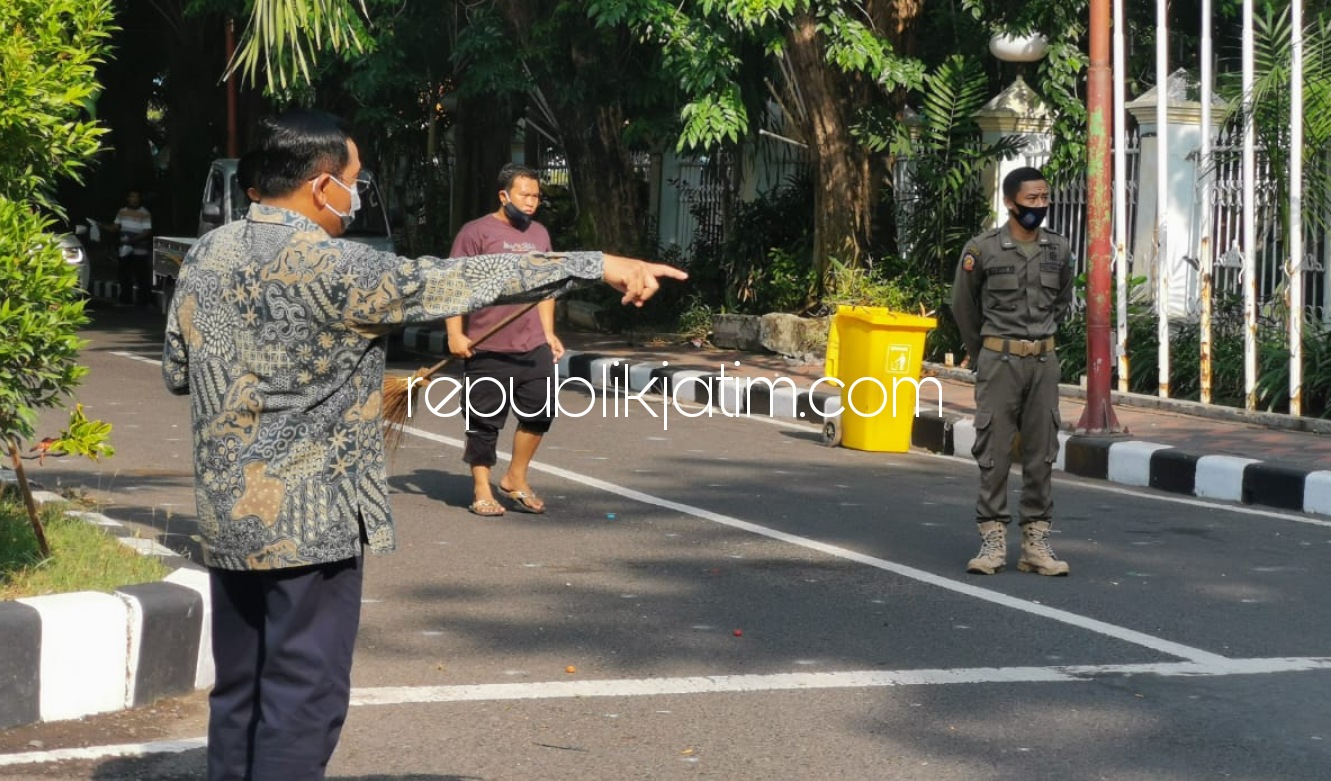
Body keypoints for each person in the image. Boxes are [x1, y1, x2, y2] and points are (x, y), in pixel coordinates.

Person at [161, 109, 685, 781]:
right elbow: (467, 280)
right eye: (353, 180)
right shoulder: (340, 266)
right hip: (311, 527)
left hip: (229, 517)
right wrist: (598, 263)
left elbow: (179, 371)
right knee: (303, 695)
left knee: (241, 688)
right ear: (322, 187)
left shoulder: (207, 254)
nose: (355, 195)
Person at [950, 166, 1074, 577]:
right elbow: (964, 308)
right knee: (995, 452)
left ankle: (1036, 543)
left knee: (1041, 453)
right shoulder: (983, 249)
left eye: (1044, 198)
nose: (1040, 206)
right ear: (1010, 202)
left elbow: (1062, 302)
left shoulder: (1059, 249)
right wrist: (983, 352)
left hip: (1043, 361)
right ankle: (992, 541)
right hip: (998, 361)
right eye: (1031, 200)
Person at [445, 164, 562, 516]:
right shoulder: (476, 232)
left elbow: (547, 287)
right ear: (504, 195)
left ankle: (515, 477)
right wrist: (454, 333)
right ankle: (482, 488)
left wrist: (549, 331)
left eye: (536, 196)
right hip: (488, 343)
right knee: (484, 421)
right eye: (524, 195)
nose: (531, 202)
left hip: (532, 345)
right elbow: (453, 284)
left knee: (541, 412)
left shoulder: (540, 234)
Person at [111, 189, 153, 305]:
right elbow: (115, 227)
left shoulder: (145, 213)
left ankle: (143, 301)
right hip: (125, 250)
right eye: (132, 197)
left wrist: (132, 240)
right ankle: (125, 299)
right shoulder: (122, 212)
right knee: (124, 275)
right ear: (128, 199)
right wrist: (101, 226)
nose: (134, 199)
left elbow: (147, 231)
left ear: (139, 199)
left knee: (141, 276)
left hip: (140, 250)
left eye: (136, 197)